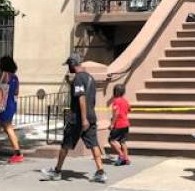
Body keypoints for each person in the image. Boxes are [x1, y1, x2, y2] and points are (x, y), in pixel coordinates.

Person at [41, 54, 107, 183]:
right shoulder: (90, 78)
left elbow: (81, 97)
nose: (68, 68)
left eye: (68, 65)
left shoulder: (78, 78)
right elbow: (88, 96)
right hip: (91, 115)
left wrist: (83, 119)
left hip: (78, 118)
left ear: (72, 64)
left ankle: (57, 171)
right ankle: (101, 172)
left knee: (65, 144)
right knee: (94, 144)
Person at [108, 84, 130, 166]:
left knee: (111, 140)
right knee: (123, 142)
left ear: (115, 92)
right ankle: (126, 159)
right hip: (126, 124)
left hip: (118, 124)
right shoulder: (125, 101)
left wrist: (112, 124)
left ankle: (121, 155)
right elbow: (129, 109)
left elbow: (116, 113)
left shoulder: (116, 101)